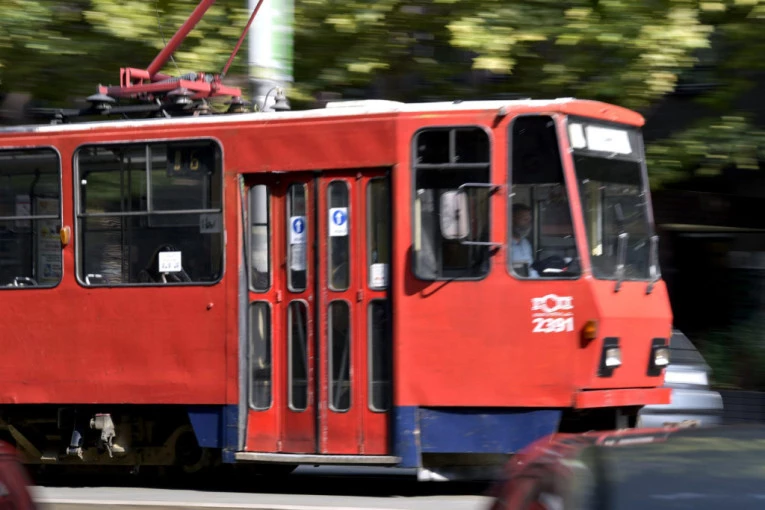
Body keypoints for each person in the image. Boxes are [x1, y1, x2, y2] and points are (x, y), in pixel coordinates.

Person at [511, 203, 539, 277]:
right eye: (525, 219)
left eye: (529, 220)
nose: (528, 223)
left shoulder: (525, 243)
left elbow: (530, 268)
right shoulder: (501, 245)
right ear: (512, 220)